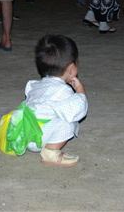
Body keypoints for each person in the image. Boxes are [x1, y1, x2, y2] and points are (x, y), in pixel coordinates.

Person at [24, 35, 88, 167]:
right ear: (71, 69)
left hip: (24, 133)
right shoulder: (63, 91)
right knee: (68, 121)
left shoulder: (35, 85)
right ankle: (50, 152)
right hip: (39, 139)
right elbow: (79, 110)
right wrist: (80, 91)